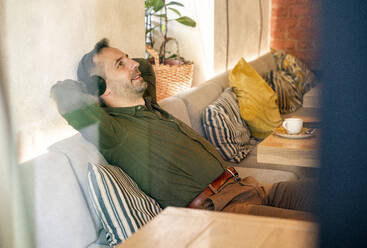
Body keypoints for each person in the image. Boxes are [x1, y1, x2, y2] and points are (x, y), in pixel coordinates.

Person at [51, 38, 315, 220]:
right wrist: (93, 90)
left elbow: (144, 66)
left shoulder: (149, 106)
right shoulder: (113, 130)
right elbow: (62, 95)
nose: (133, 64)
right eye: (120, 64)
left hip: (249, 189)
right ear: (100, 86)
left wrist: (122, 63)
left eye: (127, 58)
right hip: (223, 211)